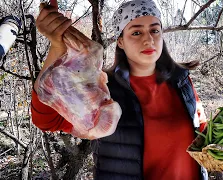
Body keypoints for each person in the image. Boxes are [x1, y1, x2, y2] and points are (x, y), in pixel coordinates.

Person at [32, 0, 212, 179]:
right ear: (120, 42)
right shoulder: (101, 88)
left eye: (155, 30)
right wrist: (57, 47)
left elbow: (203, 134)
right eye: (136, 32)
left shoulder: (181, 81)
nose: (148, 39)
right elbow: (47, 119)